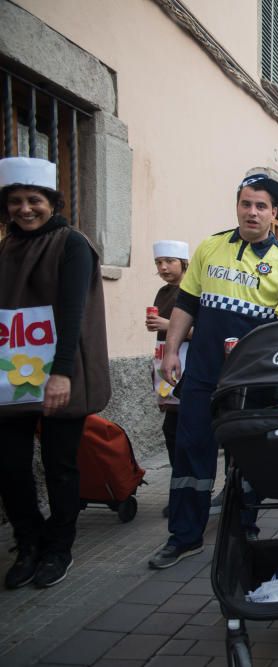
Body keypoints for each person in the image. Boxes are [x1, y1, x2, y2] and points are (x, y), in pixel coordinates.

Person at [149, 173, 278, 569]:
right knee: (190, 453)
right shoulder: (210, 247)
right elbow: (186, 305)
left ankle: (243, 527)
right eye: (246, 203)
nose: (252, 212)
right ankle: (184, 536)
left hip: (253, 380)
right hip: (201, 373)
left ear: (273, 215)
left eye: (261, 206)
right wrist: (171, 353)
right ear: (238, 206)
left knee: (248, 455)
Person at [0, 157, 110, 588]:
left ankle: (59, 548)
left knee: (60, 464)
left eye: (34, 200)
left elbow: (73, 311)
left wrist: (62, 373)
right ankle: (28, 542)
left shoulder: (72, 244)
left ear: (52, 202)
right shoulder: (6, 247)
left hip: (62, 373)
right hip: (13, 375)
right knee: (10, 466)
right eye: (15, 202)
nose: (25, 209)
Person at [146, 240, 191, 518]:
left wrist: (168, 326)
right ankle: (179, 490)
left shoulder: (192, 290)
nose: (163, 267)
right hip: (165, 365)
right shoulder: (163, 292)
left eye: (169, 261)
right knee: (171, 430)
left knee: (183, 431)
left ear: (184, 263)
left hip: (189, 365)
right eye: (158, 262)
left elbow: (202, 331)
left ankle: (188, 492)